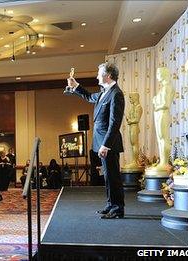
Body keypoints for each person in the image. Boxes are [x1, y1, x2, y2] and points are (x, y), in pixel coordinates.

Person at [68, 62, 125, 219]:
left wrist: (106, 145)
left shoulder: (116, 94)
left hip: (109, 143)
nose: (96, 76)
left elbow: (115, 122)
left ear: (108, 75)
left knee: (113, 176)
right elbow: (88, 96)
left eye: (99, 74)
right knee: (107, 176)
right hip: (101, 142)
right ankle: (110, 204)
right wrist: (75, 85)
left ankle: (118, 209)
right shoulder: (103, 93)